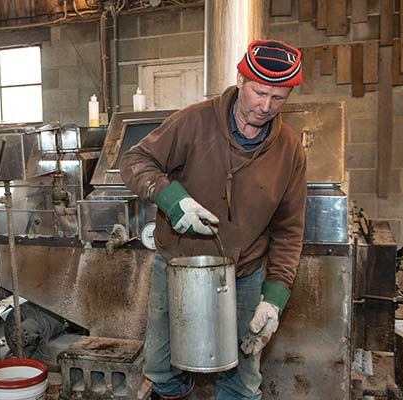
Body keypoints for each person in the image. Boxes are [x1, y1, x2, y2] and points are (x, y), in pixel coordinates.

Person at [120, 39, 307, 400]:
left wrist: (275, 297)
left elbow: (289, 230)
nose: (265, 107)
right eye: (259, 93)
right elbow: (135, 161)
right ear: (240, 80)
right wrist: (174, 201)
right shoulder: (193, 122)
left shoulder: (290, 150)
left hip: (244, 273)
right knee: (160, 367)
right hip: (177, 265)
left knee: (242, 371)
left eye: (278, 98)